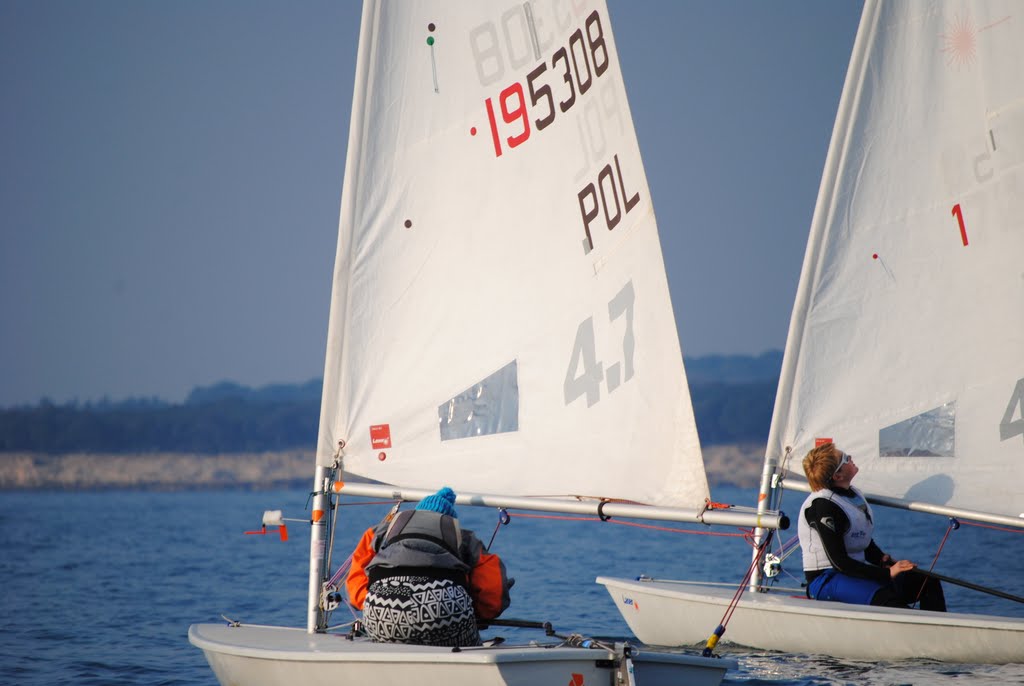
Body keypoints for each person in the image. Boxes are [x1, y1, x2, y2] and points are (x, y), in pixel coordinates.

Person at [345, 486, 513, 646]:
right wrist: (477, 614)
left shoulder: (378, 533)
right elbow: (493, 593)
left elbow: (355, 584)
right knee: (465, 641)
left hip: (382, 611)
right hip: (442, 611)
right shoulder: (464, 538)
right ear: (449, 521)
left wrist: (373, 602)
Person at [798, 442, 946, 611]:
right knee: (891, 602)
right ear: (838, 476)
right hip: (826, 579)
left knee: (927, 582)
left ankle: (941, 627)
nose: (850, 458)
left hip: (852, 572)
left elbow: (858, 538)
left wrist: (881, 559)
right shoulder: (823, 506)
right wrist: (887, 573)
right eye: (845, 458)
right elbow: (839, 562)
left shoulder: (851, 495)